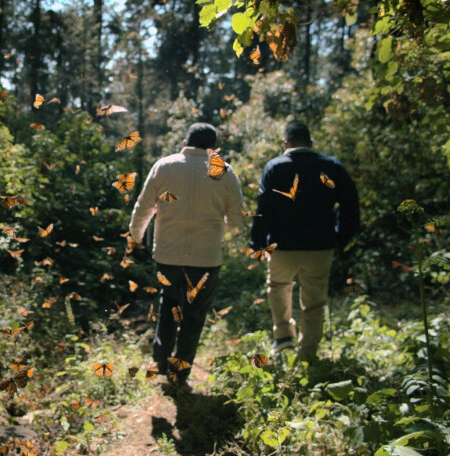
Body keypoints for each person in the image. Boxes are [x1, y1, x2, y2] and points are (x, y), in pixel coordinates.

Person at [129, 122, 244, 388]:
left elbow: (143, 206)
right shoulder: (225, 172)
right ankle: (180, 372)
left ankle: (161, 359)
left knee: (169, 305)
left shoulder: (164, 166)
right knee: (194, 315)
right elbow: (238, 220)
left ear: (184, 142)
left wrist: (136, 236)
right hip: (206, 259)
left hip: (168, 256)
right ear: (212, 148)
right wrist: (215, 231)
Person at [250, 121, 359, 360]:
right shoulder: (331, 166)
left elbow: (263, 209)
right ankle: (308, 353)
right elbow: (350, 205)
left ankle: (283, 339)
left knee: (278, 288)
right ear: (310, 142)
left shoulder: (275, 167)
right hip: (320, 245)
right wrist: (341, 237)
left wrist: (257, 243)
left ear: (285, 143)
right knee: (314, 302)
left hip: (281, 246)